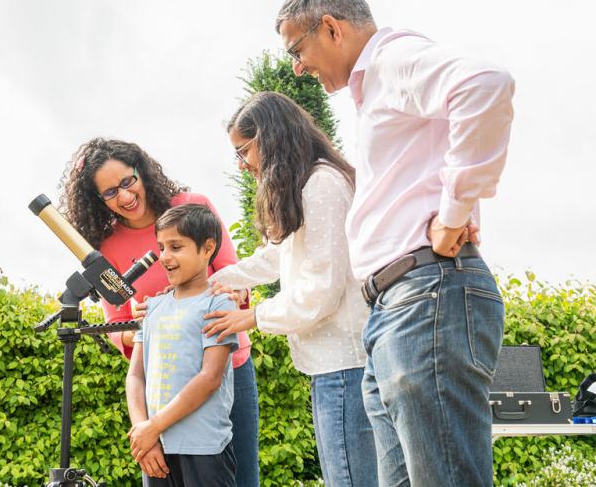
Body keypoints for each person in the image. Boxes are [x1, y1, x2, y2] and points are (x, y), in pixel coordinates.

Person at [275, 0, 514, 487]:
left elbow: (486, 84)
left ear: (332, 28)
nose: (298, 66)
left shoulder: (392, 59)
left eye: (299, 48)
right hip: (396, 308)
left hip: (424, 296)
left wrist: (453, 214)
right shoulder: (376, 87)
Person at [59, 138, 259, 486]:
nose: (123, 196)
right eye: (109, 193)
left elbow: (237, 282)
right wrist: (137, 321)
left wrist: (212, 296)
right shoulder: (107, 248)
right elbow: (115, 329)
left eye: (126, 181)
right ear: (98, 200)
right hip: (163, 386)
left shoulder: (194, 207)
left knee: (241, 477)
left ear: (142, 172)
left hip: (227, 369)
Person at [202, 91, 377, 487]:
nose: (243, 163)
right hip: (330, 367)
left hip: (346, 365)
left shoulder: (322, 186)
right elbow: (274, 258)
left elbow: (321, 289)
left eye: (243, 150)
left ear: (270, 137)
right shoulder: (307, 186)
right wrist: (210, 282)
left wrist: (251, 315)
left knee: (349, 479)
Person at [126, 204, 239, 486]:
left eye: (176, 247)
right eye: (162, 247)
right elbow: (135, 375)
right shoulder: (151, 307)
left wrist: (153, 426)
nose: (165, 257)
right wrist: (143, 433)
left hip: (204, 448)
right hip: (155, 448)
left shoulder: (218, 303)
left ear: (207, 248)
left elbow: (210, 377)